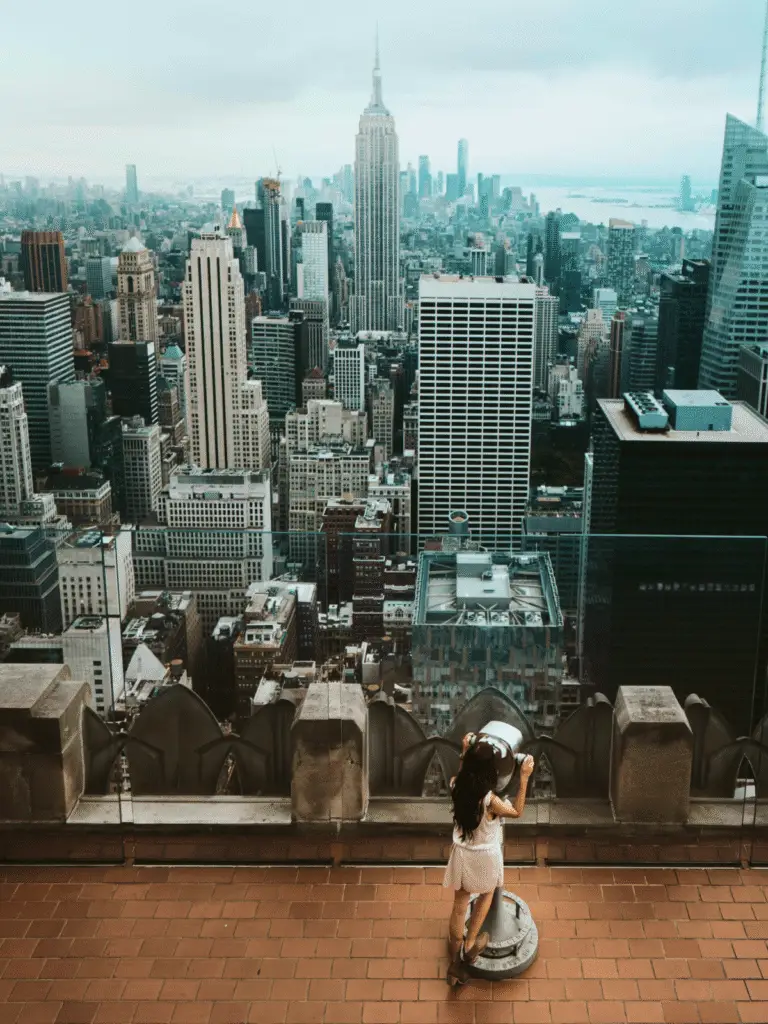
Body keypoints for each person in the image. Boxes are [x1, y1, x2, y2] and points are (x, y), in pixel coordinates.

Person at [443, 731, 535, 976]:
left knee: (459, 905)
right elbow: (516, 811)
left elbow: (463, 772)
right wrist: (524, 777)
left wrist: (465, 751)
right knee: (486, 894)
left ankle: (454, 959)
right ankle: (470, 945)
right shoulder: (491, 801)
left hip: (462, 853)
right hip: (484, 856)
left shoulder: (456, 784)